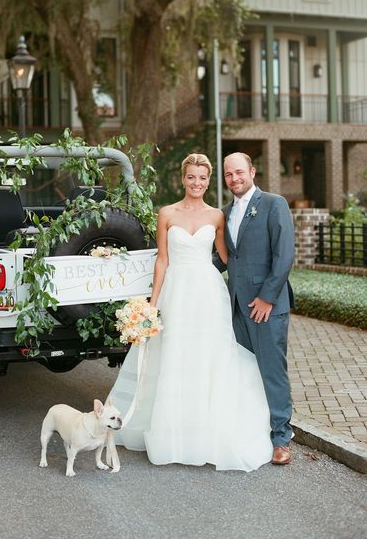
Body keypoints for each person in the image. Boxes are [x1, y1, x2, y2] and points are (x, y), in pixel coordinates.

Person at [109, 153, 273, 471]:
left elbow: (227, 258)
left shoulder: (216, 216)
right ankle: (171, 429)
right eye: (191, 177)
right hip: (175, 290)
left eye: (202, 178)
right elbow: (162, 259)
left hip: (208, 293)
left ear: (208, 181)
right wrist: (152, 303)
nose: (197, 183)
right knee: (174, 352)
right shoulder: (167, 213)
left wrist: (251, 289)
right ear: (182, 179)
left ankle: (204, 427)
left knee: (206, 354)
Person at [220, 152, 295, 466]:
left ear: (251, 171)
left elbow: (284, 254)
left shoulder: (274, 204)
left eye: (239, 172)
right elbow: (224, 257)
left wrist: (267, 298)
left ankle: (281, 439)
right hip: (236, 307)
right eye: (228, 175)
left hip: (266, 307)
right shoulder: (224, 212)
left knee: (272, 372)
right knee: (245, 373)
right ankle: (253, 431)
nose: (234, 179)